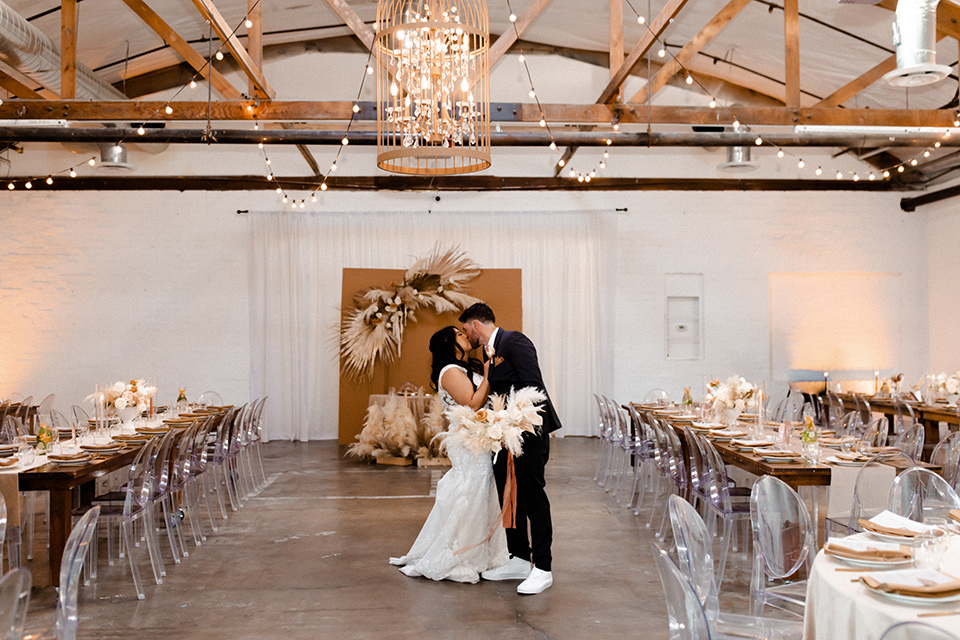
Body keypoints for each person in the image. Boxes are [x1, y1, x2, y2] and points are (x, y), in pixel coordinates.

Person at [388, 326, 508, 583]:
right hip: (466, 441)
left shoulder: (465, 368)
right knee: (473, 488)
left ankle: (480, 549)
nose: (465, 335)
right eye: (458, 333)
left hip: (478, 438)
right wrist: (488, 375)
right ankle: (460, 552)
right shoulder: (450, 371)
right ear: (447, 342)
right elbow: (472, 403)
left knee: (480, 489)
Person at [459, 302, 562, 595]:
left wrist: (509, 421)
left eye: (467, 329)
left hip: (527, 435)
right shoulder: (487, 351)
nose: (467, 335)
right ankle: (518, 558)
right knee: (509, 497)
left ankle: (542, 568)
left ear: (476, 325)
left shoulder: (515, 341)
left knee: (532, 499)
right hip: (503, 439)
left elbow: (534, 388)